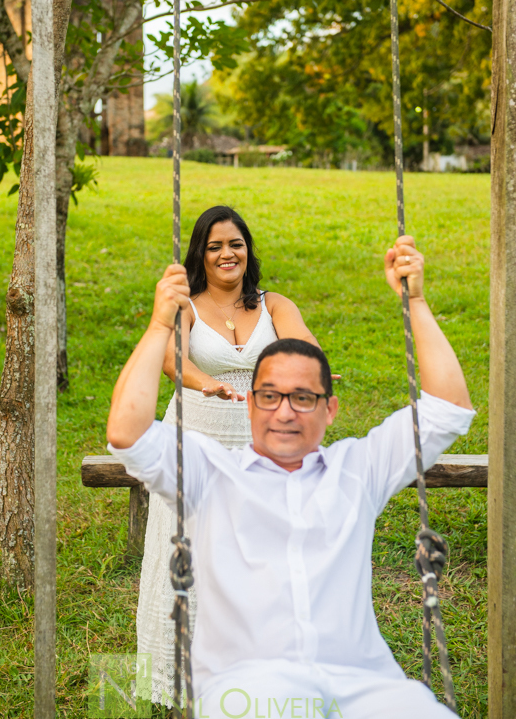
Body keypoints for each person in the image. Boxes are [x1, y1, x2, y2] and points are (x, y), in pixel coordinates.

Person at [107, 236, 474, 719]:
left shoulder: (356, 470)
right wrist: (159, 325)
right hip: (250, 688)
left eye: (302, 398)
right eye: (270, 396)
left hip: (361, 684)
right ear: (252, 403)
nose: (284, 411)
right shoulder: (210, 473)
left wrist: (418, 302)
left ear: (329, 410)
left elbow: (448, 410)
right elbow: (127, 433)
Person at [137, 205, 324, 704]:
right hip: (196, 435)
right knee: (193, 550)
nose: (227, 254)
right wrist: (208, 383)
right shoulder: (186, 304)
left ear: (247, 250)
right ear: (202, 253)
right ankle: (183, 682)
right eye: (215, 245)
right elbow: (173, 360)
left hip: (258, 439)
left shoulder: (273, 304)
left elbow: (302, 343)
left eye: (235, 244)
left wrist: (312, 374)